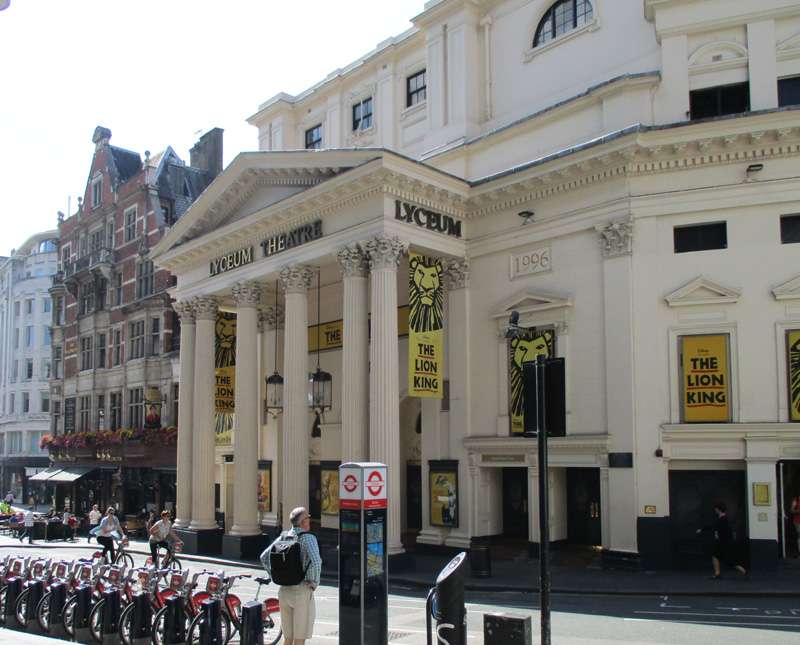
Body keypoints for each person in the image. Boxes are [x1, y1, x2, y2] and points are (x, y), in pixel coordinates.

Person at [262, 507, 321, 645]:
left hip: (284, 590)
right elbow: (316, 561)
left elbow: (264, 557)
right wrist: (313, 582)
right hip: (301, 591)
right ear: (304, 522)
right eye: (308, 517)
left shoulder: (283, 537)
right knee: (299, 638)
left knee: (287, 637)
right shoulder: (309, 538)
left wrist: (275, 574)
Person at [696, 502, 748, 580]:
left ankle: (743, 571)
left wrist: (701, 530)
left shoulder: (722, 519)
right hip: (723, 541)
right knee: (717, 554)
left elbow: (713, 525)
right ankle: (717, 573)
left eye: (716, 508)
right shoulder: (723, 518)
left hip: (723, 542)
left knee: (728, 559)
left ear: (718, 509)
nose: (715, 509)